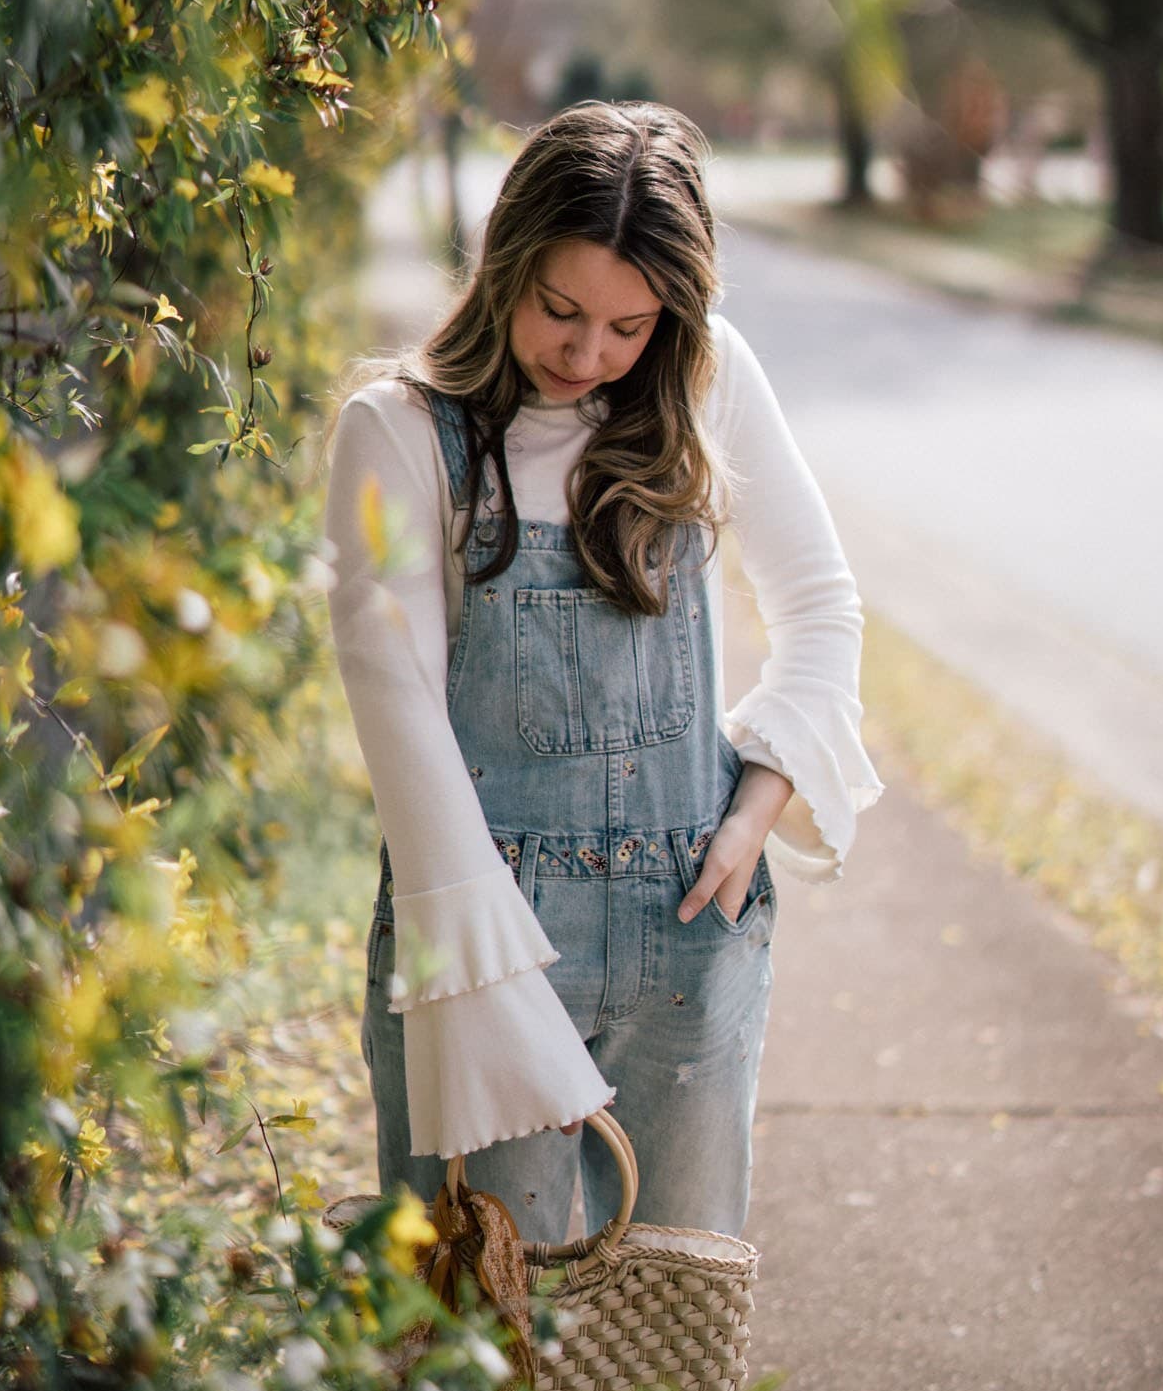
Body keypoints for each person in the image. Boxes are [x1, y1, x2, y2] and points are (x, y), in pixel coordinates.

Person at [323, 100, 882, 1247]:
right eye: (561, 309)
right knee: (486, 1356)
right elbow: (402, 721)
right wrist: (489, 989)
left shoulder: (708, 382)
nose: (587, 356)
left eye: (631, 326)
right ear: (504, 262)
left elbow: (822, 609)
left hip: (690, 941)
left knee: (670, 1346)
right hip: (473, 937)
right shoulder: (397, 433)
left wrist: (754, 809)